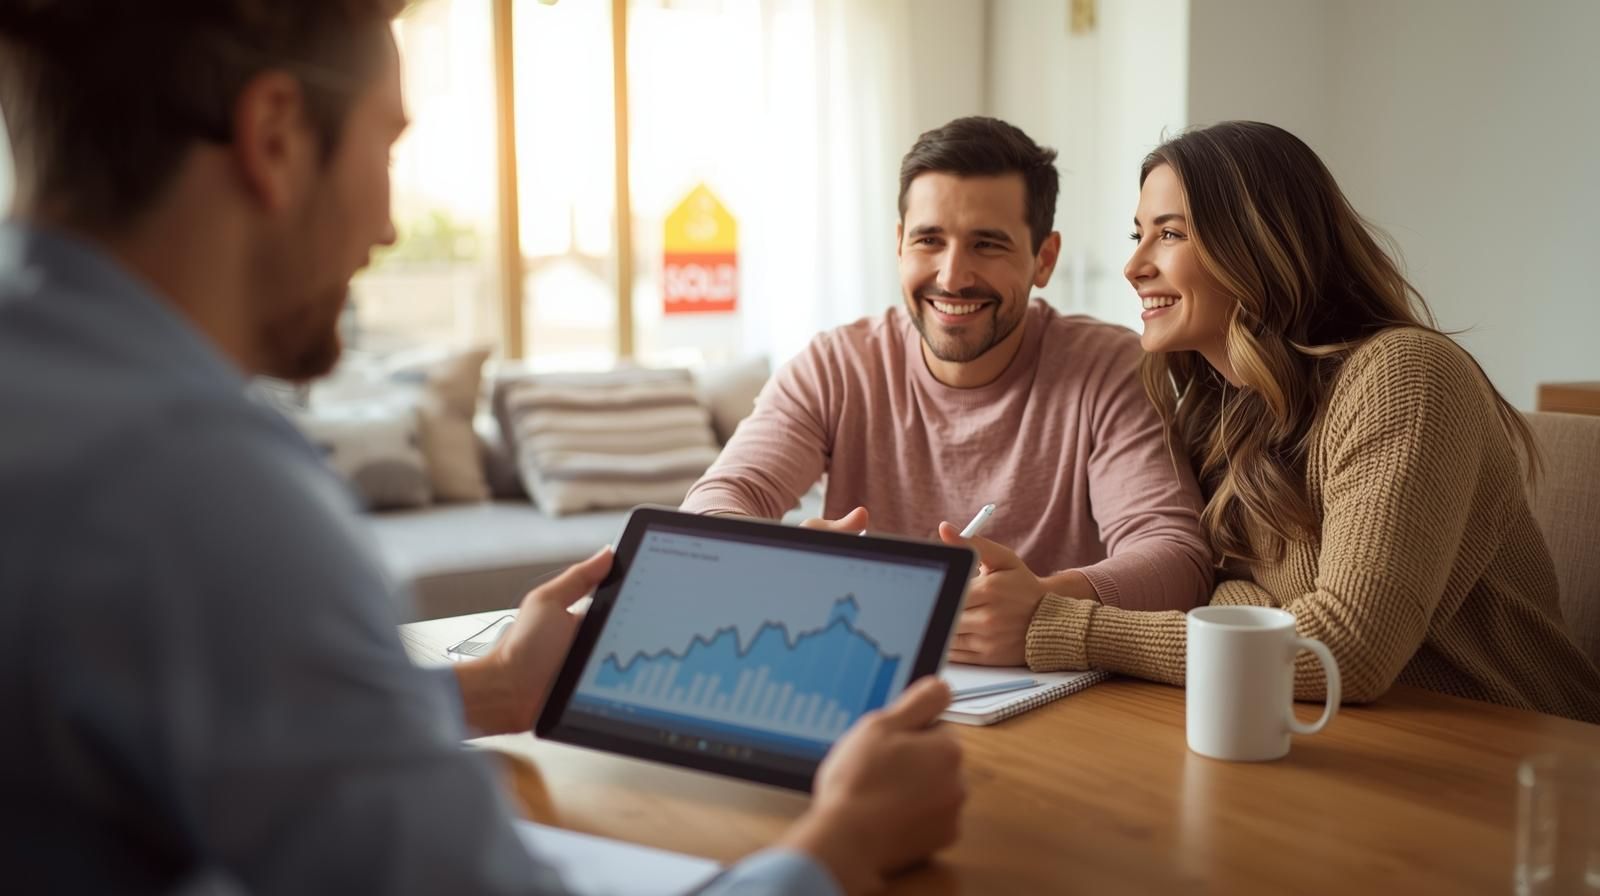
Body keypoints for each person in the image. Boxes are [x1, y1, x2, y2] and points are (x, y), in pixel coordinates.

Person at [0, 3, 966, 892]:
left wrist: (492, 687)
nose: (385, 225)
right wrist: (838, 845)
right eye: (389, 144)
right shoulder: (201, 485)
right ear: (277, 136)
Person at [1021, 120, 1600, 722]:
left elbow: (1346, 650)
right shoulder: (1215, 406)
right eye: (1138, 234)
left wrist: (1072, 626)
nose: (1134, 265)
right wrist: (1251, 611)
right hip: (1348, 740)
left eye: (1169, 234)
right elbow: (1224, 598)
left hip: (1517, 752)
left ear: (1258, 243)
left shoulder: (1403, 377)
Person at [682, 116, 1213, 668]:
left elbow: (1177, 560)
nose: (953, 276)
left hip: (1046, 702)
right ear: (899, 244)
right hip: (862, 681)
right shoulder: (835, 366)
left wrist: (1043, 605)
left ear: (1044, 260)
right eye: (929, 240)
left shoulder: (1108, 368)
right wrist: (787, 564)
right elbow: (712, 507)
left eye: (987, 245)